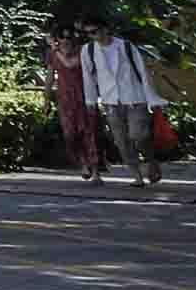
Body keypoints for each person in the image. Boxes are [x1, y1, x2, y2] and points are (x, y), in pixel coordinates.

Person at [81, 21, 164, 188]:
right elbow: (87, 76)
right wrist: (90, 101)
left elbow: (142, 71)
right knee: (121, 141)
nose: (93, 35)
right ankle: (137, 175)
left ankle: (150, 160)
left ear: (105, 28)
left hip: (134, 97)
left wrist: (152, 99)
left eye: (95, 30)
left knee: (138, 135)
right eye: (89, 33)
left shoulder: (125, 46)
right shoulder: (88, 50)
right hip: (110, 101)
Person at [47, 20, 101, 181]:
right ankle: (83, 162)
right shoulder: (53, 54)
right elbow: (50, 77)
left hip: (85, 96)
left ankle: (96, 171)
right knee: (70, 134)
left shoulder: (82, 52)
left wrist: (54, 48)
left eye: (69, 37)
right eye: (62, 37)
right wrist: (46, 99)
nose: (66, 40)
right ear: (58, 38)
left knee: (90, 133)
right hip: (65, 99)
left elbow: (70, 64)